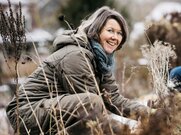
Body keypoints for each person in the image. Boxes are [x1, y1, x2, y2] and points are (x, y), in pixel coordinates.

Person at [6, 6, 150, 135]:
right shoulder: (76, 55)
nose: (115, 37)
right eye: (110, 31)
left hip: (50, 108)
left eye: (120, 33)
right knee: (91, 103)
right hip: (26, 112)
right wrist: (128, 132)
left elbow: (113, 99)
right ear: (96, 31)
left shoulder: (101, 61)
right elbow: (93, 109)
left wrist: (146, 113)